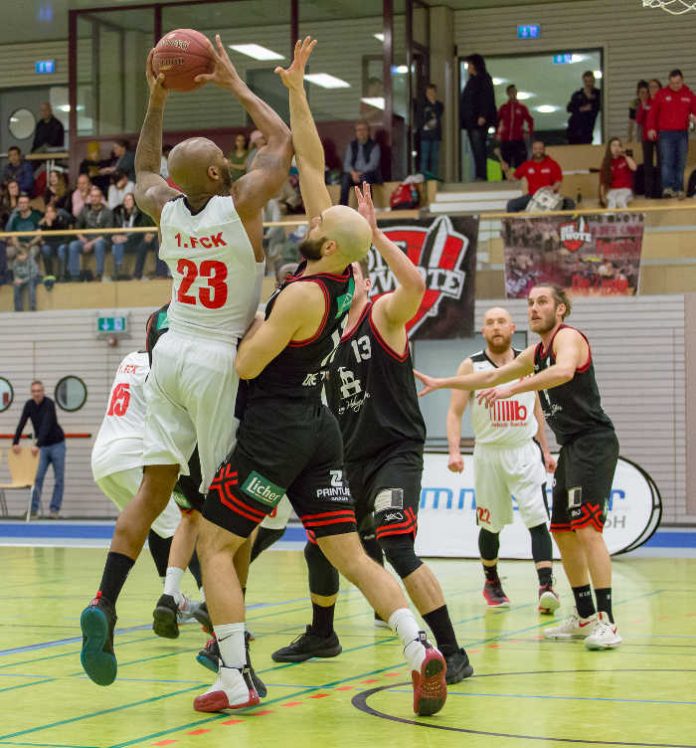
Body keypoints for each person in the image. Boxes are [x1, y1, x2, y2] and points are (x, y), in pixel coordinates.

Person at [190, 35, 447, 718]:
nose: (316, 208)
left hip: (276, 426)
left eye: (323, 216)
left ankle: (237, 680)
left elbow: (247, 363)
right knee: (354, 557)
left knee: (215, 546)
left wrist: (233, 331)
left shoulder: (304, 293)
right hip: (321, 428)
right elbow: (308, 157)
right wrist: (296, 89)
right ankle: (419, 647)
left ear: (329, 242)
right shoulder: (343, 278)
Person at [78, 32, 292, 689]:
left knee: (152, 492)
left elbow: (144, 169)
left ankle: (105, 602)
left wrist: (156, 98)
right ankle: (228, 649)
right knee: (236, 516)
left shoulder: (166, 209)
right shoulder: (243, 206)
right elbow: (282, 140)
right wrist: (232, 81)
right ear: (223, 175)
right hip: (219, 362)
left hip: (167, 355)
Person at [272, 185, 473, 684]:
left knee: (397, 547)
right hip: (346, 458)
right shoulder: (324, 331)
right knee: (317, 546)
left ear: (361, 275)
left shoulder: (384, 314)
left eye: (353, 269)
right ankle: (323, 633)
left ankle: (451, 650)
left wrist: (376, 236)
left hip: (393, 453)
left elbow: (417, 284)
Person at [415, 284, 622, 651]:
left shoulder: (567, 338)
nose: (534, 308)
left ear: (561, 310)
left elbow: (564, 371)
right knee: (562, 531)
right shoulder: (535, 351)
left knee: (588, 529)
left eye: (542, 302)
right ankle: (585, 615)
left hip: (594, 442)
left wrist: (516, 388)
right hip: (571, 446)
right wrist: (445, 382)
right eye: (530, 303)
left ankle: (608, 621)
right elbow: (491, 377)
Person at [91, 325, 207, 633]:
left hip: (103, 457)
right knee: (186, 525)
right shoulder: (165, 368)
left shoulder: (129, 358)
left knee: (152, 521)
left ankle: (172, 597)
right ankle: (212, 605)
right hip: (134, 454)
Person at [446, 306, 559, 612]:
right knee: (491, 525)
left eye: (501, 322)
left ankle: (546, 585)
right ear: (483, 332)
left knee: (538, 519)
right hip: (488, 454)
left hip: (524, 450)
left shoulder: (528, 360)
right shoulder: (471, 366)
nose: (495, 327)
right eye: (489, 323)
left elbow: (537, 409)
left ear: (512, 328)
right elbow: (455, 412)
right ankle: (492, 580)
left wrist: (546, 450)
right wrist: (454, 451)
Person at [12, 381, 66, 518]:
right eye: (34, 391)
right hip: (43, 447)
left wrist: (37, 444)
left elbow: (47, 425)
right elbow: (22, 422)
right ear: (31, 393)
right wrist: (15, 442)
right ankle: (34, 510)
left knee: (58, 479)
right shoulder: (29, 405)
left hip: (57, 444)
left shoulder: (49, 404)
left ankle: (54, 510)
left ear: (43, 391)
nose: (36, 394)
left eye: (39, 391)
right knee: (37, 478)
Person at [646, 69, 696, 199]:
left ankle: (678, 188)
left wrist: (694, 118)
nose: (675, 85)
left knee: (680, 162)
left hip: (682, 134)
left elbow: (695, 111)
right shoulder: (661, 94)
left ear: (682, 80)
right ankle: (667, 188)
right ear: (669, 82)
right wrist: (651, 128)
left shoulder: (689, 94)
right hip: (666, 134)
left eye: (678, 82)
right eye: (673, 83)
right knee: (667, 161)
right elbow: (652, 113)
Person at [503, 140, 573, 212]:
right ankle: (516, 223)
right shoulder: (527, 165)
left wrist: (552, 188)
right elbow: (511, 179)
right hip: (532, 197)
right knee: (511, 204)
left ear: (544, 150)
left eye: (540, 148)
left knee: (570, 203)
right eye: (535, 149)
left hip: (549, 196)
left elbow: (558, 182)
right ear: (532, 150)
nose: (538, 151)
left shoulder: (553, 164)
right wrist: (506, 171)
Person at [459, 53, 496, 181]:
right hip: (470, 121)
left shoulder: (484, 79)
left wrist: (483, 115)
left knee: (479, 147)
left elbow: (487, 98)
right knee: (475, 148)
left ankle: (482, 174)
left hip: (478, 121)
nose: (468, 67)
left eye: (469, 64)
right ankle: (479, 173)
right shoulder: (471, 81)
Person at [68, 186, 114, 281]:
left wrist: (91, 243)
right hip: (86, 240)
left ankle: (98, 274)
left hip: (101, 240)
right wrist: (82, 238)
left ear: (101, 198)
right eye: (92, 196)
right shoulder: (85, 210)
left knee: (99, 244)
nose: (94, 198)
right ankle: (74, 276)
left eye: (96, 196)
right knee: (73, 245)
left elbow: (107, 233)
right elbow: (77, 227)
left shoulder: (107, 212)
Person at [113, 192, 162, 280]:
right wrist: (116, 236)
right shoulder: (119, 213)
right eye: (125, 200)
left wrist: (152, 234)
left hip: (149, 237)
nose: (127, 202)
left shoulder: (140, 213)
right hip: (137, 238)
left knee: (157, 243)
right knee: (116, 245)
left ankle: (160, 274)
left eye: (129, 200)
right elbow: (115, 227)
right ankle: (128, 273)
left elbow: (142, 229)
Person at [339, 120, 382, 205]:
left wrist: (360, 173)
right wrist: (353, 173)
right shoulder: (351, 145)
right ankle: (343, 207)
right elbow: (346, 164)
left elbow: (373, 164)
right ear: (356, 132)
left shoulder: (374, 145)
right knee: (345, 179)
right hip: (353, 174)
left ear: (368, 131)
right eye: (358, 130)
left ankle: (368, 206)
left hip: (368, 173)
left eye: (363, 129)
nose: (361, 132)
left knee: (365, 179)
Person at [497, 84, 534, 171]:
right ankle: (505, 182)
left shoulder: (522, 108)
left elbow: (530, 120)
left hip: (518, 139)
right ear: (507, 94)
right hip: (506, 139)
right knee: (505, 164)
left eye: (514, 92)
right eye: (510, 92)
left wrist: (529, 132)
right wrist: (497, 134)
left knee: (520, 163)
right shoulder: (504, 108)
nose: (513, 94)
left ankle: (520, 182)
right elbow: (497, 122)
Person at [636, 79, 662, 198]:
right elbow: (639, 120)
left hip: (661, 136)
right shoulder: (646, 101)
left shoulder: (662, 100)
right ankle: (649, 192)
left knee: (662, 164)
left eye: (655, 87)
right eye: (650, 88)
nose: (653, 90)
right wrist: (643, 103)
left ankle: (660, 191)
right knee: (648, 165)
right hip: (647, 137)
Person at [599, 138, 637, 209]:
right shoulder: (606, 162)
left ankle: (626, 219)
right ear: (609, 148)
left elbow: (634, 168)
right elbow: (602, 182)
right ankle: (611, 219)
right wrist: (602, 196)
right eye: (614, 145)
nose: (616, 148)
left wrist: (625, 155)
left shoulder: (625, 158)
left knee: (620, 200)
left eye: (618, 145)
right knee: (611, 202)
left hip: (626, 190)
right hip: (612, 190)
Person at [38, 203, 71, 285]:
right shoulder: (43, 223)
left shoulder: (61, 220)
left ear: (56, 213)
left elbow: (64, 235)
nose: (49, 214)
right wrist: (48, 226)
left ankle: (62, 275)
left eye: (51, 212)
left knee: (62, 249)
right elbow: (43, 238)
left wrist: (51, 224)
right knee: (45, 249)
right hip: (49, 244)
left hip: (61, 243)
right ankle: (50, 275)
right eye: (47, 212)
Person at [566, 71, 601, 144]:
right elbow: (569, 108)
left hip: (588, 128)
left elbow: (598, 107)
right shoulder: (577, 95)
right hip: (575, 127)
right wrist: (582, 109)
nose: (588, 84)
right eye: (586, 81)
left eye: (590, 81)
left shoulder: (598, 94)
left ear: (594, 81)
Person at [5, 193, 43, 261]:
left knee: (31, 253)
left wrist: (29, 244)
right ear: (18, 205)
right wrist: (19, 248)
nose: (23, 205)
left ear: (28, 204)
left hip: (32, 245)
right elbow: (14, 237)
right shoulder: (15, 219)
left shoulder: (36, 216)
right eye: (21, 203)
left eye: (25, 202)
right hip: (19, 245)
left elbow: (39, 236)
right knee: (5, 252)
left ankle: (29, 271)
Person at [419, 84, 444, 179]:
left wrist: (433, 105)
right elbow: (422, 118)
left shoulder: (439, 105)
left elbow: (438, 114)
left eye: (433, 92)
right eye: (429, 92)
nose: (431, 94)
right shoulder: (422, 105)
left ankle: (434, 179)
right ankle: (422, 178)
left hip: (436, 135)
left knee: (435, 159)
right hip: (425, 135)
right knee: (424, 158)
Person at [12, 247, 40, 312]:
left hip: (32, 278)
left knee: (31, 286)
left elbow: (33, 274)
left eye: (23, 255)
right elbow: (15, 274)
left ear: (27, 254)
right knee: (16, 286)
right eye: (19, 255)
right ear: (17, 256)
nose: (21, 257)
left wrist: (23, 280)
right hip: (21, 279)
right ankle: (18, 308)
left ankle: (32, 306)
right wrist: (16, 279)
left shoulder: (31, 261)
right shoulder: (15, 263)